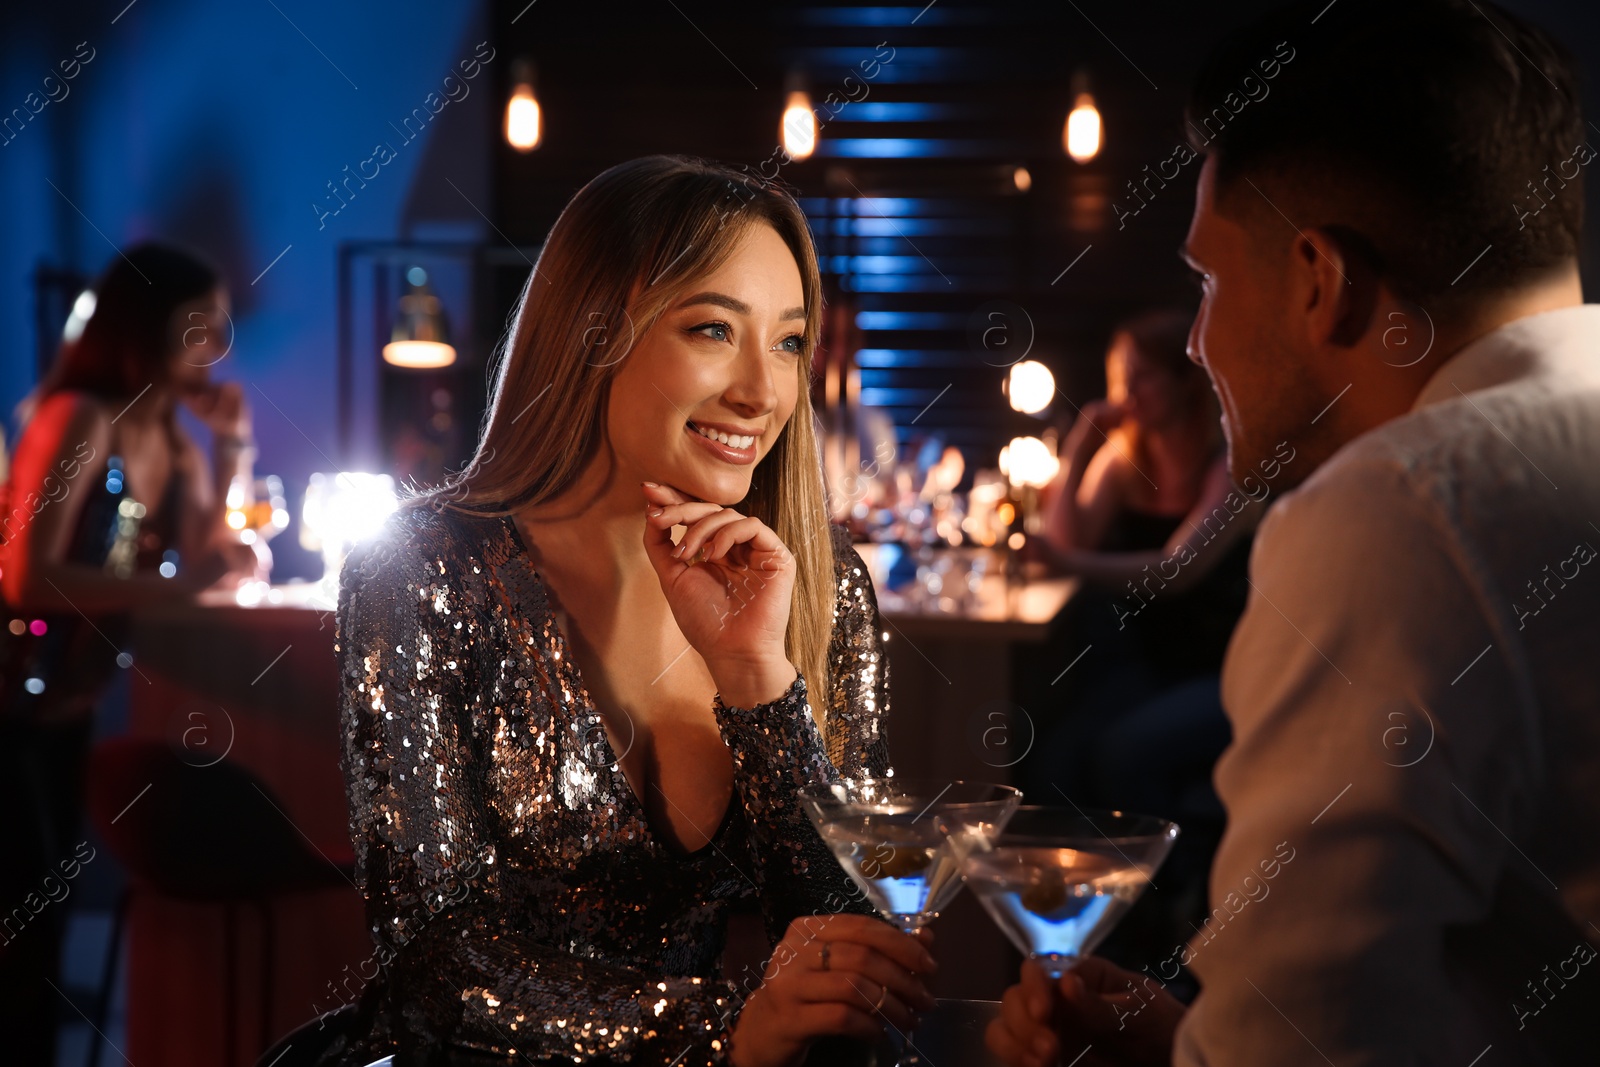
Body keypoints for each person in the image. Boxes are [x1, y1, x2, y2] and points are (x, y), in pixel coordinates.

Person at [988, 1, 1600, 1064]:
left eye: (1209, 281)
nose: (1197, 337)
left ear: (1321, 281)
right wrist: (1192, 1035)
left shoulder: (1401, 512)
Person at [325, 156, 935, 1067]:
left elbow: (851, 940)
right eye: (712, 329)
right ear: (591, 333)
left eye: (788, 341)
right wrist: (721, 1027)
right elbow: (433, 965)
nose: (761, 394)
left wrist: (757, 678)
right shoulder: (419, 568)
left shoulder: (819, 583)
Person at [0, 241, 262, 1065]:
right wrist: (183, 587)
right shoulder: (78, 416)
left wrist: (235, 448)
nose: (215, 345)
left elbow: (211, 552)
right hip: (8, 692)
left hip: (67, 700)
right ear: (149, 327)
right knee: (20, 921)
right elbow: (25, 575)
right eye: (199, 325)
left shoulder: (173, 438)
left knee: (39, 914)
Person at [1022, 310, 1257, 822]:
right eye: (1121, 375)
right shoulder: (1128, 457)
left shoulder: (1231, 466)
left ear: (1186, 381)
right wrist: (1082, 448)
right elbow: (1067, 539)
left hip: (1222, 670)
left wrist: (1066, 559)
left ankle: (1167, 892)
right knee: (1054, 763)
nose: (1128, 391)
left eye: (1144, 375)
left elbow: (1175, 571)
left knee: (1123, 756)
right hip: (1145, 665)